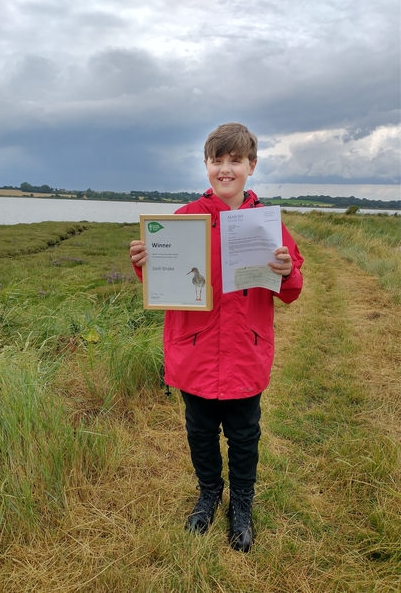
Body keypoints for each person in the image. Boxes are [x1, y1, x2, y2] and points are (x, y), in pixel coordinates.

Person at [129, 123, 303, 552]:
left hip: (246, 350)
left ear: (251, 166)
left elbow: (293, 290)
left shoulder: (270, 226)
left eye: (235, 160)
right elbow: (163, 282)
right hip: (196, 351)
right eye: (217, 160)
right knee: (200, 431)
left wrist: (287, 272)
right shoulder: (185, 219)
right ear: (206, 165)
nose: (225, 169)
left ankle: (241, 505)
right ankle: (209, 495)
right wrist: (144, 262)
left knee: (245, 434)